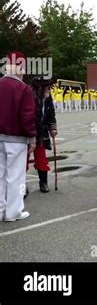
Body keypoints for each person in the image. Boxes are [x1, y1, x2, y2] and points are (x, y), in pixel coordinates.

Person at [0, 51, 36, 222]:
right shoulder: (24, 89)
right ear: (20, 68)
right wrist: (32, 137)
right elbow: (27, 117)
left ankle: (0, 210)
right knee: (15, 177)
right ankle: (13, 212)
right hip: (16, 139)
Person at [30, 77, 58, 193]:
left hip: (41, 132)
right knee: (22, 160)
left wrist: (53, 128)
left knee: (41, 159)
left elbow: (51, 113)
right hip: (28, 131)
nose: (49, 88)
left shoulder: (47, 97)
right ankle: (19, 185)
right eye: (47, 86)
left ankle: (43, 182)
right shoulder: (30, 95)